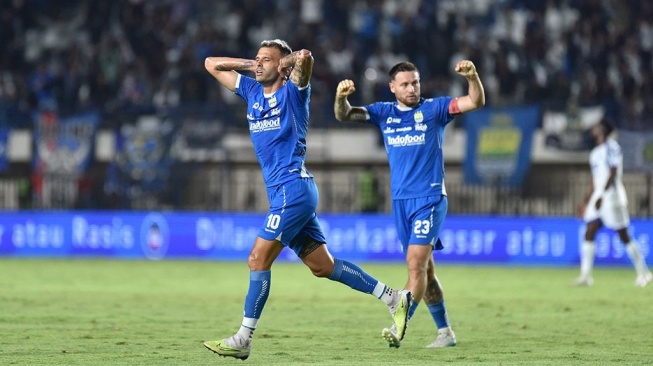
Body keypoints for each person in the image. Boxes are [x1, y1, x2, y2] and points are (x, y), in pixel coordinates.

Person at [202, 39, 412, 360]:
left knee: (258, 260)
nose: (258, 64)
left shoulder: (293, 94)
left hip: (293, 190)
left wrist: (286, 62)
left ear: (282, 67)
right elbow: (211, 63)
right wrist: (256, 64)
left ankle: (243, 338)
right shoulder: (251, 90)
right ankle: (393, 298)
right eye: (257, 59)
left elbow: (306, 59)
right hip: (289, 193)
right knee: (322, 266)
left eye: (266, 60)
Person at [333, 60, 485, 348]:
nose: (412, 88)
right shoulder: (383, 113)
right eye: (404, 84)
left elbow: (475, 101)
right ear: (392, 87)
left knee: (414, 264)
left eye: (415, 82)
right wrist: (341, 98)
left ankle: (399, 324)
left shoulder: (435, 109)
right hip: (401, 202)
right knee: (426, 271)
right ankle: (446, 333)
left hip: (429, 198)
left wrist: (473, 77)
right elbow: (345, 115)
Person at [574, 119, 652, 287]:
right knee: (589, 231)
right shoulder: (594, 153)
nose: (593, 129)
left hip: (612, 197)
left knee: (624, 236)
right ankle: (586, 276)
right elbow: (595, 180)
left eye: (596, 127)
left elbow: (613, 170)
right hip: (598, 198)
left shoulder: (612, 147)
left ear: (602, 130)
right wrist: (586, 201)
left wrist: (602, 194)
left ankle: (644, 273)